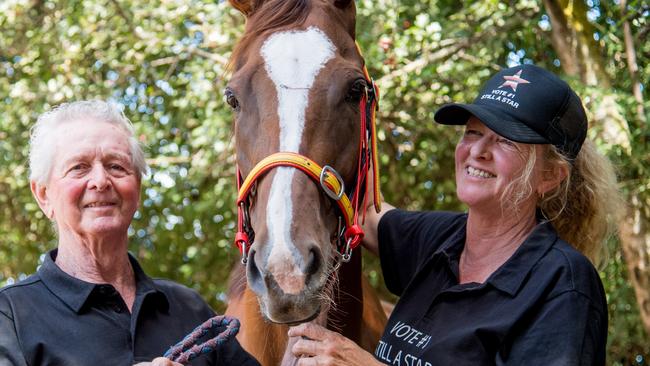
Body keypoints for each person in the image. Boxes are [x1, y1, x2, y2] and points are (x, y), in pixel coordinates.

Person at [287, 64, 623, 365]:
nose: (477, 151)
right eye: (473, 133)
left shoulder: (563, 285)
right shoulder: (442, 240)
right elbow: (361, 211)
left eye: (506, 141)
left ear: (550, 176)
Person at [0, 101, 259, 366]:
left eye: (116, 166)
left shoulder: (188, 308)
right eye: (78, 167)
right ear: (43, 196)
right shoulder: (11, 316)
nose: (101, 181)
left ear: (137, 189)